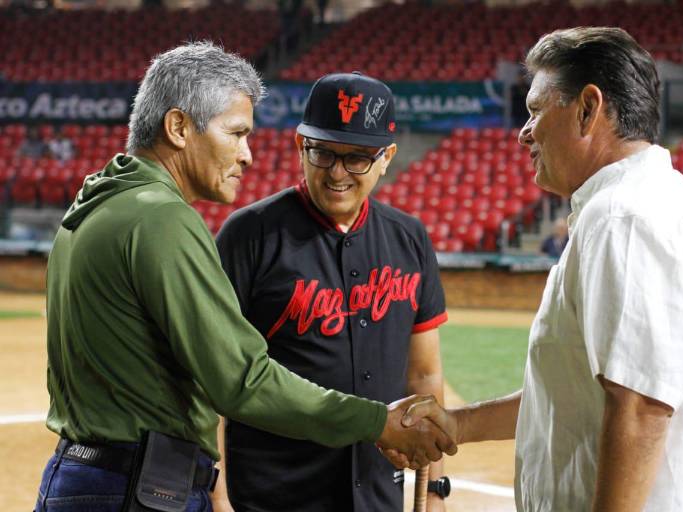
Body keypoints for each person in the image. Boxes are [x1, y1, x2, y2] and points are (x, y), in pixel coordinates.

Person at [34, 43, 455, 512]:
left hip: (96, 474)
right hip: (133, 484)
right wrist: (376, 421)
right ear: (178, 128)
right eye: (236, 133)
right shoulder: (162, 220)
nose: (247, 155)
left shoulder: (100, 206)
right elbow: (240, 379)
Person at [393, 27, 683, 512]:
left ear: (588, 109)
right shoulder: (656, 201)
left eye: (535, 111)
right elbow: (572, 397)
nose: (524, 131)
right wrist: (459, 424)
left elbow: (641, 408)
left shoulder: (623, 217)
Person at [216, 71, 450, 512]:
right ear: (300, 145)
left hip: (378, 493)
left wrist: (432, 490)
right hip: (273, 495)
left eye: (358, 157)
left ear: (387, 157)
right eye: (323, 153)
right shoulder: (250, 235)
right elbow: (214, 379)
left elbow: (423, 377)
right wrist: (217, 494)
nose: (338, 173)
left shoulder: (409, 238)